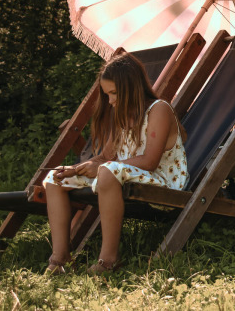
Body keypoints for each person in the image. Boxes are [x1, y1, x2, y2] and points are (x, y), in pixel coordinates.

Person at [42, 52, 188, 275]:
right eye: (107, 94)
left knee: (107, 171)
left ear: (131, 87)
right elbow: (105, 157)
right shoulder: (121, 112)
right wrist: (77, 169)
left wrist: (101, 168)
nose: (110, 101)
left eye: (114, 93)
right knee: (55, 178)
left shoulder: (159, 109)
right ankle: (60, 260)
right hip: (122, 173)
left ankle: (109, 260)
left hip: (164, 181)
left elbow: (149, 161)